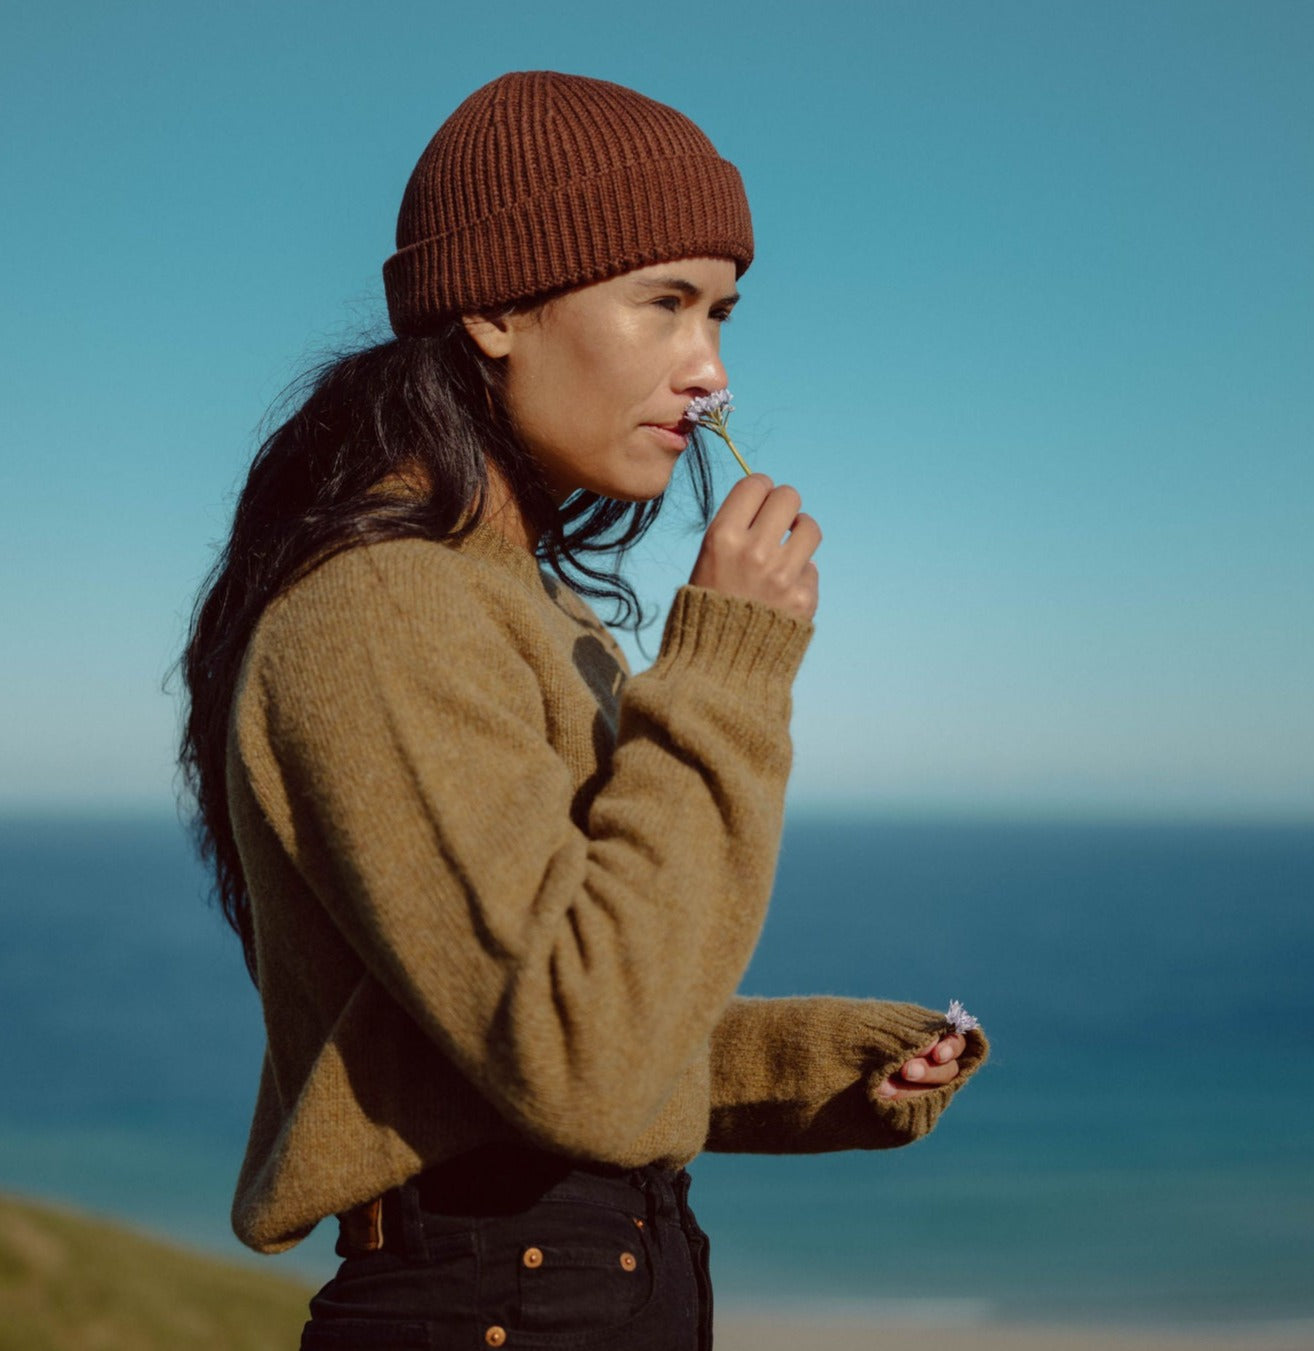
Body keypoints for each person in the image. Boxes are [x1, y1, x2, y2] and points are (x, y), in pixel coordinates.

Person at [179, 70, 988, 1351]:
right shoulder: (382, 610)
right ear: (495, 306)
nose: (712, 372)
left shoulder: (523, 612)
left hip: (577, 1279)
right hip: (494, 1298)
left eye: (721, 312)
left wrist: (812, 1065)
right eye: (663, 303)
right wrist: (726, 666)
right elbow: (581, 1054)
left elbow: (543, 1024)